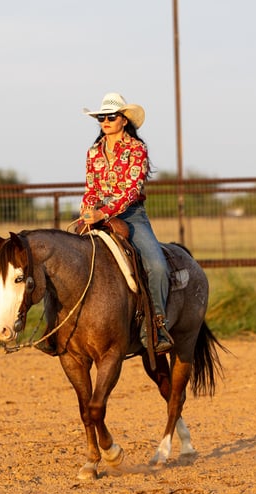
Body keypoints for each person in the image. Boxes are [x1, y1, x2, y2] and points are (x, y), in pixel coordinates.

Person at [80, 92, 173, 354]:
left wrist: (104, 213)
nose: (105, 121)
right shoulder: (93, 152)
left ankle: (157, 324)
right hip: (98, 213)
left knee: (157, 265)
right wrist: (88, 205)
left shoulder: (136, 149)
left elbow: (132, 190)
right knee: (69, 255)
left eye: (111, 117)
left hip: (131, 215)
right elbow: (92, 187)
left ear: (124, 120)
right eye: (101, 118)